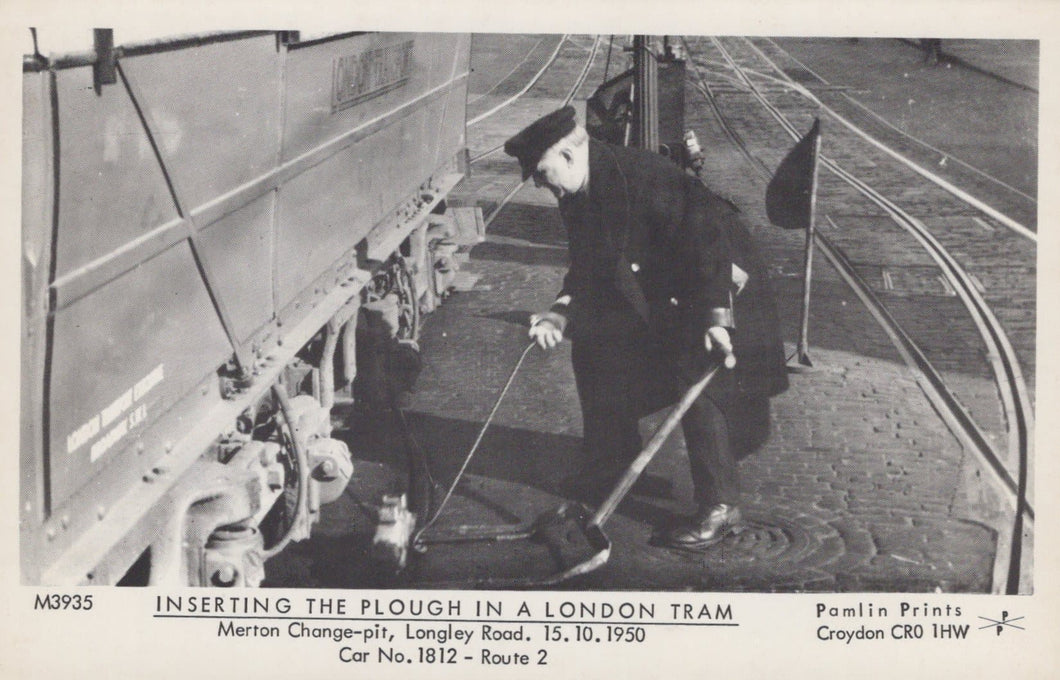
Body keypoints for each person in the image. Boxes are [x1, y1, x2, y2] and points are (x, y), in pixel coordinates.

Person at [504, 106, 788, 550]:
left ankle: (721, 506)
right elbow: (588, 265)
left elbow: (706, 237)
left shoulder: (642, 175)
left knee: (695, 368)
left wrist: (715, 318)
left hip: (719, 277)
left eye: (541, 173)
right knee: (593, 346)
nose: (540, 184)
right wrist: (561, 312)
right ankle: (612, 464)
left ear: (569, 156)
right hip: (668, 280)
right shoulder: (576, 193)